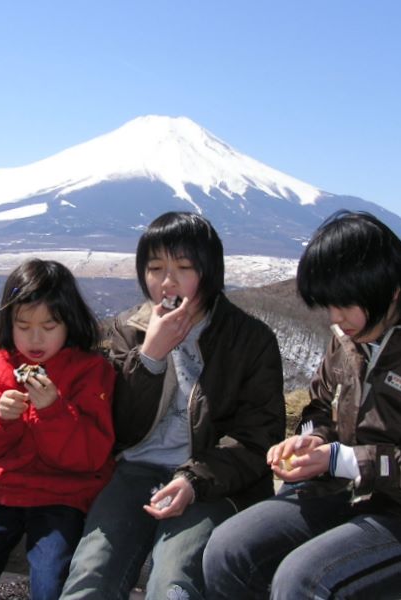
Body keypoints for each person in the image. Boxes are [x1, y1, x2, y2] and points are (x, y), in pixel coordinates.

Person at [202, 210, 401, 599]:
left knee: (304, 582)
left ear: (391, 289)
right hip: (345, 491)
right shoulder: (349, 338)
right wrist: (313, 440)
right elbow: (319, 405)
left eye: (345, 304)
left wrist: (344, 461)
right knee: (228, 551)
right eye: (328, 305)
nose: (335, 317)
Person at [61, 212, 285, 600]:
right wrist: (149, 357)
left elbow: (257, 438)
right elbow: (116, 428)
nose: (167, 281)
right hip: (135, 472)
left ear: (210, 272)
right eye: (155, 268)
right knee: (90, 575)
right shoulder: (126, 329)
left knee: (173, 582)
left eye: (183, 267)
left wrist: (195, 480)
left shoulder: (250, 339)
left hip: (212, 480)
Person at [0, 259, 116, 600]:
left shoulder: (90, 371)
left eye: (49, 327)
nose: (35, 339)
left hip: (63, 494)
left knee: (52, 586)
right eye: (23, 326)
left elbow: (91, 456)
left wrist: (53, 411)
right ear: (8, 323)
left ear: (70, 322)